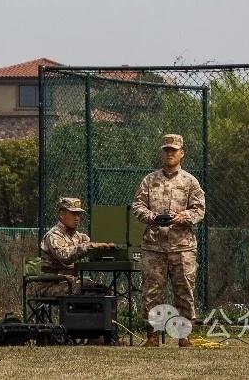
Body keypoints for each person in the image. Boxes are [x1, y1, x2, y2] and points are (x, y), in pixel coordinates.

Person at [132, 133, 206, 348]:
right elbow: (137, 206)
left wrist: (183, 216)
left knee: (184, 290)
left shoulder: (190, 181)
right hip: (154, 245)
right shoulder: (149, 180)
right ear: (162, 153)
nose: (170, 154)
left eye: (174, 150)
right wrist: (152, 217)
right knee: (151, 291)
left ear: (182, 153)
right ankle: (152, 335)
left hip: (182, 246)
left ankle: (184, 336)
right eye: (166, 150)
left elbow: (199, 209)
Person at [34, 196, 117, 297]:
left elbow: (93, 247)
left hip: (71, 283)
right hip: (51, 285)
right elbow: (65, 256)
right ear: (61, 214)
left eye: (79, 214)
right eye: (73, 213)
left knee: (104, 292)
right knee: (92, 293)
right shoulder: (53, 235)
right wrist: (89, 246)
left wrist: (107, 247)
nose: (77, 218)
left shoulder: (79, 236)